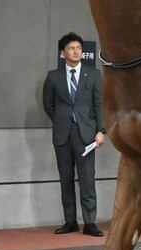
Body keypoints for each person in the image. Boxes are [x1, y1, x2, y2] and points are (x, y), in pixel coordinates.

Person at [42, 33, 106, 237]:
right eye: (71, 48)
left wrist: (101, 130)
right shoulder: (53, 76)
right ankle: (70, 221)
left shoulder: (93, 74)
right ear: (63, 53)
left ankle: (90, 222)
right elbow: (48, 105)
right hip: (62, 135)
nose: (76, 51)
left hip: (87, 135)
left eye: (79, 47)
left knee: (87, 179)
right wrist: (62, 120)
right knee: (65, 178)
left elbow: (99, 105)